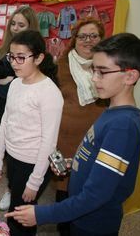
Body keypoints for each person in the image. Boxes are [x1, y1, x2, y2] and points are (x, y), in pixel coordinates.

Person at [7, 33, 140, 236]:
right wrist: (73, 163)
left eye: (102, 72)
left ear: (130, 76)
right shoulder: (112, 111)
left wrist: (42, 214)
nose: (94, 78)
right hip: (81, 217)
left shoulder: (122, 126)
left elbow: (96, 195)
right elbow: (99, 157)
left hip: (94, 223)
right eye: (93, 70)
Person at [0, 30, 63, 235]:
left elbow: (49, 142)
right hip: (14, 159)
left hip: (33, 164)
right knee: (18, 214)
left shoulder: (49, 93)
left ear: (39, 58)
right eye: (11, 56)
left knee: (21, 218)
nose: (14, 63)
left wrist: (35, 181)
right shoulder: (15, 83)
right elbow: (6, 121)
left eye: (21, 57)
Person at [0, 6, 40, 211]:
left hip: (21, 113)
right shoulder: (2, 50)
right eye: (13, 23)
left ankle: (11, 191)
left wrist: (10, 82)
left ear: (31, 27)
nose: (15, 28)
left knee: (15, 157)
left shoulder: (36, 54)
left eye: (21, 24)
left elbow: (32, 86)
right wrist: (8, 83)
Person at [55, 18, 108, 236]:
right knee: (65, 193)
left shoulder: (109, 67)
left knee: (92, 191)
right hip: (66, 140)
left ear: (101, 39)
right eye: (82, 36)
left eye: (93, 36)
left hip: (98, 140)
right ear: (74, 39)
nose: (88, 41)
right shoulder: (61, 66)